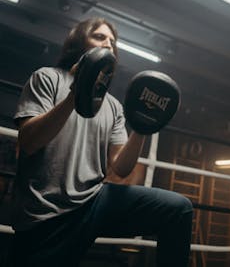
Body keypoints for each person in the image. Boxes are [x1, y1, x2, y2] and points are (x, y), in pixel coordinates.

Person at [11, 17, 193, 267]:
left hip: (94, 202)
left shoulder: (113, 105)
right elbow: (29, 142)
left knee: (177, 209)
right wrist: (75, 93)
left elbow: (120, 167)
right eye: (99, 37)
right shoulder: (47, 78)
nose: (108, 44)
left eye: (112, 41)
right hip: (44, 208)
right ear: (78, 42)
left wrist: (142, 129)